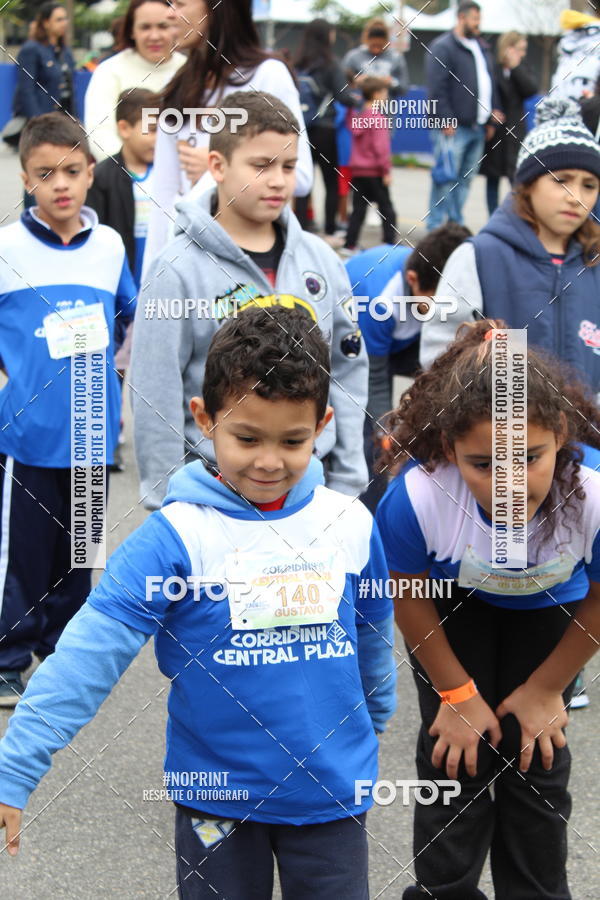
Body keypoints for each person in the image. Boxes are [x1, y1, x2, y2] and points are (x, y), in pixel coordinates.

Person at [0, 306, 396, 900]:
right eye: (246, 437)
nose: (269, 461)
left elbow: (373, 633)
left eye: (292, 440)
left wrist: (376, 717)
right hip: (215, 800)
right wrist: (14, 771)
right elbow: (87, 656)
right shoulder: (175, 537)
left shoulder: (349, 523)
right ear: (203, 420)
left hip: (330, 794)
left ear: (324, 425)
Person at [377, 319, 600, 899]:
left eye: (528, 457)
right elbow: (408, 596)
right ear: (450, 450)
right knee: (457, 757)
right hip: (454, 608)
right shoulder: (418, 495)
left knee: (536, 757)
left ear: (559, 433)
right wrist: (456, 697)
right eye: (484, 464)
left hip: (557, 611)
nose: (508, 484)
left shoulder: (592, 494)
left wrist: (548, 690)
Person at [130, 90, 368, 510]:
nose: (278, 180)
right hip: (211, 490)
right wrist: (166, 501)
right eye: (261, 166)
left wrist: (348, 479)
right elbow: (155, 389)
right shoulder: (176, 270)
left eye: (289, 166)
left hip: (310, 485)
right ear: (217, 166)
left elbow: (348, 372)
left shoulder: (323, 262)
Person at [0, 113, 136, 705]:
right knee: (21, 557)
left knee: (78, 556)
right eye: (45, 173)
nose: (61, 184)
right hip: (27, 437)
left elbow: (128, 314)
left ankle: (60, 654)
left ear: (89, 175)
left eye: (73, 171)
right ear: (26, 179)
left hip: (90, 435)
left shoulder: (108, 246)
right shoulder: (6, 248)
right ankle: (7, 657)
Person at [419, 96, 600, 396]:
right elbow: (438, 359)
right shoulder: (479, 257)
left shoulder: (594, 264)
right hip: (505, 438)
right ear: (527, 184)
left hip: (588, 438)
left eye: (589, 185)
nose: (575, 196)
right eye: (561, 180)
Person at [143, 0, 313, 267]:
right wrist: (151, 281)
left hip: (256, 261)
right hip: (189, 260)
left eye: (180, 3)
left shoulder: (268, 75)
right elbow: (162, 197)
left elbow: (301, 175)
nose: (170, 13)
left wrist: (219, 170)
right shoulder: (175, 86)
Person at [345, 224, 471, 513]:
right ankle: (370, 509)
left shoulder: (443, 276)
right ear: (413, 280)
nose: (443, 312)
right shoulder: (379, 299)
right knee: (373, 435)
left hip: (402, 342)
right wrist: (387, 432)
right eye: (435, 304)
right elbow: (373, 378)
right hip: (356, 352)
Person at [425, 0, 503, 231]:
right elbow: (437, 88)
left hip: (477, 127)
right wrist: (445, 118)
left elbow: (490, 83)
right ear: (461, 18)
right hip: (453, 127)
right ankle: (436, 227)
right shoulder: (443, 47)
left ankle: (454, 225)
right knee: (445, 178)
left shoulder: (481, 47)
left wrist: (490, 118)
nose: (478, 24)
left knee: (465, 180)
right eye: (474, 19)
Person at [84, 0, 185, 161]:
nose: (154, 36)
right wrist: (132, 172)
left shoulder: (189, 69)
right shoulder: (109, 71)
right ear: (132, 31)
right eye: (145, 27)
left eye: (163, 26)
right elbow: (100, 133)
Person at [293, 19, 361, 239]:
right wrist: (358, 98)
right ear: (327, 36)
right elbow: (343, 96)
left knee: (305, 180)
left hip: (302, 128)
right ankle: (330, 228)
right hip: (326, 128)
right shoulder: (332, 64)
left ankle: (302, 227)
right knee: (331, 182)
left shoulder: (297, 63)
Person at [86, 88, 158, 291]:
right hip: (123, 284)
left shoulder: (170, 175)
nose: (159, 138)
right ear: (125, 129)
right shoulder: (102, 177)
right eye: (152, 130)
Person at [480, 31, 537, 215]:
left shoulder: (522, 66)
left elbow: (530, 90)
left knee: (516, 178)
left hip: (516, 131)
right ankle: (493, 218)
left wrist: (515, 68)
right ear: (508, 48)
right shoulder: (492, 66)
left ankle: (516, 218)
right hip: (496, 131)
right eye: (520, 49)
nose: (523, 53)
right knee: (493, 178)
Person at [343, 77, 397, 253]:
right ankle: (389, 243)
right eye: (384, 93)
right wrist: (386, 170)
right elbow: (380, 147)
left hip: (358, 171)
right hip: (374, 171)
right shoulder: (378, 118)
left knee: (358, 210)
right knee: (387, 209)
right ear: (376, 94)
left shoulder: (359, 116)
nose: (386, 96)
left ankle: (349, 244)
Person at [12, 3, 75, 122]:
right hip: (42, 119)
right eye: (59, 20)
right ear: (46, 23)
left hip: (64, 118)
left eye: (65, 19)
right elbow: (26, 90)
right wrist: (37, 121)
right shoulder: (31, 49)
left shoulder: (65, 52)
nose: (64, 23)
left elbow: (70, 89)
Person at [343, 17, 409, 99]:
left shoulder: (396, 57)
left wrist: (392, 82)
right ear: (366, 39)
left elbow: (404, 88)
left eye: (380, 46)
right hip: (361, 109)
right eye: (373, 45)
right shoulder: (353, 56)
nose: (376, 50)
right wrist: (356, 81)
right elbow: (341, 86)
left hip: (386, 108)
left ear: (386, 41)